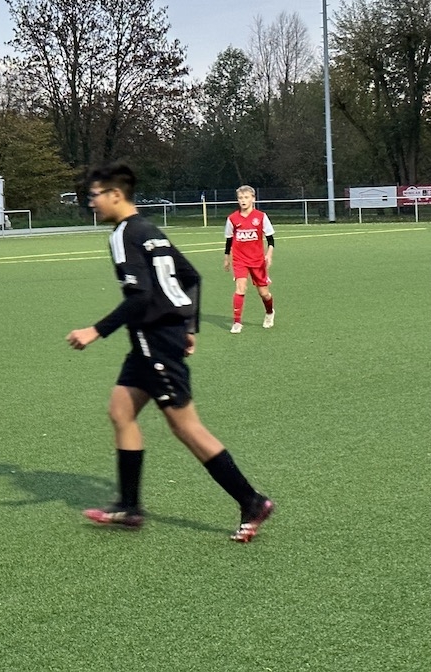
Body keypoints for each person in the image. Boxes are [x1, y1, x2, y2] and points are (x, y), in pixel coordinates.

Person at [64, 163, 274, 543]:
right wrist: (189, 327)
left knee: (186, 427)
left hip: (155, 339)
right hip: (155, 338)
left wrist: (95, 331)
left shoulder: (124, 235)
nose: (91, 202)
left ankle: (251, 501)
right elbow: (191, 277)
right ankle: (129, 505)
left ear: (115, 194)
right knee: (121, 411)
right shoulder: (149, 230)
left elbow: (140, 296)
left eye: (95, 195)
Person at [223, 185, 275, 334]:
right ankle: (237, 322)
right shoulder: (232, 219)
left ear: (253, 199)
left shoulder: (261, 217)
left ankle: (269, 312)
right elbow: (229, 240)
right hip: (240, 260)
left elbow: (271, 239)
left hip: (257, 261)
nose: (243, 200)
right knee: (240, 288)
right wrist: (226, 258)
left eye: (246, 197)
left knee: (264, 293)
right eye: (240, 198)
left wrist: (269, 255)